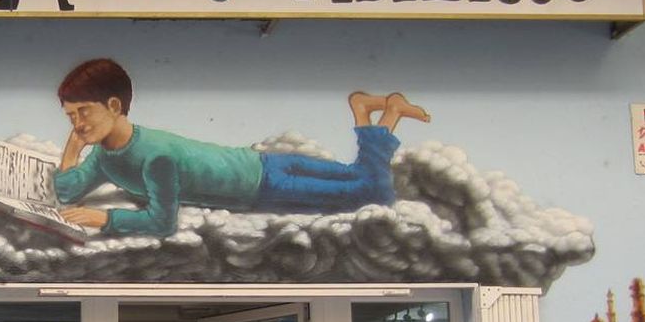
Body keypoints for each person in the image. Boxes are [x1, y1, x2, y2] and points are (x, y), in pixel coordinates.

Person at [52, 58, 429, 238]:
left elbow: (161, 222)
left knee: (374, 192)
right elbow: (67, 190)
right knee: (358, 179)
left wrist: (104, 219)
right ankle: (373, 110)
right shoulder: (104, 155)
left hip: (263, 185)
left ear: (115, 106)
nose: (79, 122)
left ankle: (382, 113)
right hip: (261, 162)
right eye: (71, 116)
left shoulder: (155, 158)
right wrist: (74, 145)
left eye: (83, 112)